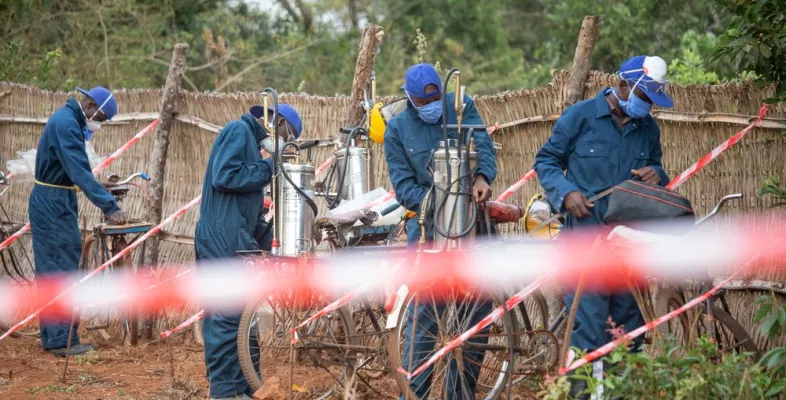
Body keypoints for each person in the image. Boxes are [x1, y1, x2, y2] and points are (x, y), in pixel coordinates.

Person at [534, 55, 673, 398]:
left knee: (629, 331)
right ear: (624, 85)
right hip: (584, 240)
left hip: (629, 245)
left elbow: (656, 168)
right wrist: (566, 194)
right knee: (589, 330)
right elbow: (546, 160)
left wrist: (659, 175)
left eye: (654, 102)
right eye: (645, 98)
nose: (649, 108)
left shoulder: (648, 128)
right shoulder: (580, 116)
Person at [384, 63, 497, 399]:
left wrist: (482, 178)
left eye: (436, 99)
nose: (432, 107)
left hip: (475, 229)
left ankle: (459, 394)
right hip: (429, 234)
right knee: (424, 322)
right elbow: (404, 186)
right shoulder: (397, 130)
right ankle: (414, 395)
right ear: (410, 98)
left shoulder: (462, 107)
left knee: (475, 319)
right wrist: (438, 202)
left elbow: (484, 148)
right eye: (423, 102)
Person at [194, 104, 301, 400]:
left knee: (243, 317)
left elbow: (244, 201)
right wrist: (270, 167)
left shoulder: (253, 148)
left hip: (235, 237)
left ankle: (242, 386)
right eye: (286, 136)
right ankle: (224, 392)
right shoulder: (238, 130)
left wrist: (267, 232)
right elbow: (225, 176)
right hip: (221, 236)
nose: (283, 145)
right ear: (276, 122)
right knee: (226, 315)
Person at [29, 86, 125, 356]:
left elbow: (74, 171)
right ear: (92, 106)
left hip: (56, 198)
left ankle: (55, 337)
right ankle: (61, 340)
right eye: (102, 119)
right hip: (53, 203)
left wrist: (99, 185)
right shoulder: (67, 125)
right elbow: (78, 170)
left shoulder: (67, 120)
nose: (100, 124)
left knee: (54, 267)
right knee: (61, 269)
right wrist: (110, 206)